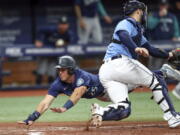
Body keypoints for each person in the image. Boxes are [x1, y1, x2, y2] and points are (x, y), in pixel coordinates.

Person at [90, 0, 180, 128]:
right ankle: (172, 117)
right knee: (157, 81)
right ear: (138, 11)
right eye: (143, 12)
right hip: (120, 63)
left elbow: (151, 48)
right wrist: (135, 48)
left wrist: (169, 55)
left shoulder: (137, 30)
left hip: (108, 71)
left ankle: (101, 112)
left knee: (124, 109)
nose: (145, 15)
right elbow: (123, 35)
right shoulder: (127, 23)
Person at [17, 55, 180, 126]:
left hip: (112, 85)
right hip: (105, 96)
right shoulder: (58, 84)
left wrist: (64, 108)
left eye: (63, 69)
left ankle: (163, 72)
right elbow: (45, 102)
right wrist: (32, 118)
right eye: (59, 69)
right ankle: (163, 72)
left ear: (71, 70)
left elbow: (78, 93)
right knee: (138, 84)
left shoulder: (81, 77)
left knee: (140, 81)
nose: (60, 72)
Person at [34, 16, 71, 85]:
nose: (63, 26)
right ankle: (36, 88)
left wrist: (63, 44)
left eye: (65, 24)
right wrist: (38, 40)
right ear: (59, 25)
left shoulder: (67, 33)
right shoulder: (52, 29)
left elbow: (68, 42)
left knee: (52, 72)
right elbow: (40, 30)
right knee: (41, 70)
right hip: (45, 52)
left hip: (54, 55)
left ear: (67, 25)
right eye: (62, 24)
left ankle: (50, 89)